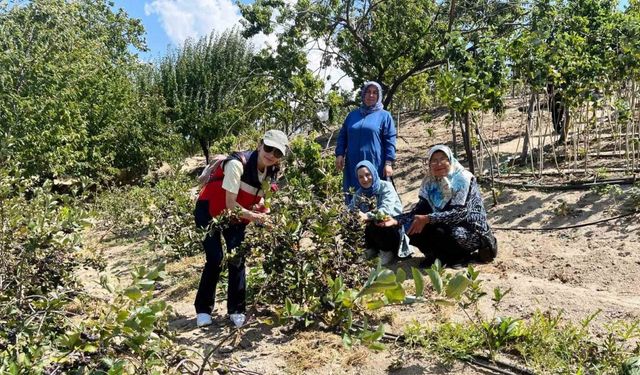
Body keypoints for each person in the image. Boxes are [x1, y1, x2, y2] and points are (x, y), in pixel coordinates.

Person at [193, 129, 289, 328]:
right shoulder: (237, 165)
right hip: (209, 210)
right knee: (215, 258)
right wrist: (256, 217)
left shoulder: (271, 171)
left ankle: (236, 309)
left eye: (277, 153)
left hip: (237, 218)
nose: (271, 155)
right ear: (260, 144)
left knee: (237, 257)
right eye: (268, 148)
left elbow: (262, 199)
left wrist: (264, 210)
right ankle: (203, 309)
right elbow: (231, 205)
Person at [379, 145, 497, 267]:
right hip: (442, 223)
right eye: (434, 160)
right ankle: (435, 256)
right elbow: (419, 210)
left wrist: (428, 219)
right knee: (412, 225)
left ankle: (460, 256)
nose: (438, 163)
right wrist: (396, 220)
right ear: (429, 164)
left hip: (470, 229)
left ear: (450, 160)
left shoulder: (463, 179)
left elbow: (460, 214)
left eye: (442, 159)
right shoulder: (430, 181)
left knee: (445, 231)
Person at [335, 81, 397, 203]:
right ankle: (354, 219)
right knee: (353, 192)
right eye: (368, 92)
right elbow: (343, 135)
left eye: (375, 92)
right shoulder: (352, 115)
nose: (371, 95)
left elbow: (390, 140)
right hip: (353, 163)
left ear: (379, 96)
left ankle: (375, 219)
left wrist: (388, 162)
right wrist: (339, 154)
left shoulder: (385, 116)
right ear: (363, 94)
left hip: (375, 162)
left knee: (374, 192)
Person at [349, 161, 412, 265]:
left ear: (373, 173)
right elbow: (351, 208)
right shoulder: (359, 193)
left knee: (379, 219)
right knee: (355, 221)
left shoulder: (386, 187)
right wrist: (354, 214)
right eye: (360, 177)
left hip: (392, 230)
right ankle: (371, 248)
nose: (365, 179)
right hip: (373, 233)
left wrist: (366, 216)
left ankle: (387, 251)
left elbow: (386, 210)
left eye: (367, 175)